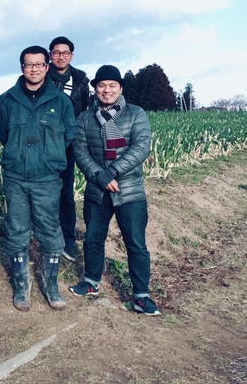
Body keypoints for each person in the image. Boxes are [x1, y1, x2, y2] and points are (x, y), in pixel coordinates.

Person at [69, 65, 161, 315]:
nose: (106, 90)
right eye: (101, 86)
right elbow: (80, 150)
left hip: (129, 190)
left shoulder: (135, 113)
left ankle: (141, 295)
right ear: (95, 89)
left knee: (136, 243)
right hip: (98, 189)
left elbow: (141, 147)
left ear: (120, 88)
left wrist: (113, 171)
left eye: (112, 86)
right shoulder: (86, 118)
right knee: (93, 239)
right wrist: (99, 175)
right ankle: (90, 283)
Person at [0, 46, 76, 311]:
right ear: (22, 68)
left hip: (47, 179)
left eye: (39, 65)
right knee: (17, 229)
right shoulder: (8, 100)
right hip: (16, 177)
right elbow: (4, 135)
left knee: (50, 231)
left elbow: (67, 137)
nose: (34, 69)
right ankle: (22, 285)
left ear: (47, 67)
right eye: (28, 65)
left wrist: (47, 158)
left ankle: (51, 284)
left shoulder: (61, 102)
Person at [47, 36, 90, 262]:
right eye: (56, 52)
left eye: (65, 53)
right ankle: (45, 236)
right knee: (42, 193)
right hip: (44, 145)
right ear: (50, 55)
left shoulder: (81, 81)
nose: (61, 56)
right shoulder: (41, 77)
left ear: (71, 55)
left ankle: (68, 240)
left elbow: (85, 114)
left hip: (68, 146)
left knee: (66, 194)